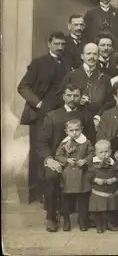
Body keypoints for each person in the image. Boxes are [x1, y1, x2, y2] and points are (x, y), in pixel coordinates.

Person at [18, 31, 72, 201]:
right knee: (40, 150)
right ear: (49, 44)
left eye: (63, 44)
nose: (60, 47)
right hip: (41, 112)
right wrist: (38, 103)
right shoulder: (38, 63)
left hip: (60, 112)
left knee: (59, 147)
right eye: (57, 44)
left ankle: (58, 192)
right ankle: (41, 194)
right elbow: (23, 87)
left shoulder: (67, 62)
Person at [37, 83, 96, 232]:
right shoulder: (52, 116)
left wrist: (87, 159)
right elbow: (42, 142)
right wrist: (49, 159)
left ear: (81, 97)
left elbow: (92, 140)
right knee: (51, 176)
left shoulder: (86, 116)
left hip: (81, 159)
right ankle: (51, 216)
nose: (72, 99)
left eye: (76, 95)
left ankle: (86, 215)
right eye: (69, 95)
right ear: (63, 96)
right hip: (58, 159)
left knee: (95, 173)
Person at [59, 42, 114, 129]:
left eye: (95, 54)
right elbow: (59, 97)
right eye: (88, 54)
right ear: (82, 56)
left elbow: (110, 102)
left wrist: (98, 117)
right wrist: (75, 101)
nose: (92, 57)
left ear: (99, 56)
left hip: (97, 122)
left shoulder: (105, 77)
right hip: (74, 122)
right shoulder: (71, 76)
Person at [55, 119, 94, 232]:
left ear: (81, 130)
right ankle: (66, 221)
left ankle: (83, 221)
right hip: (67, 175)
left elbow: (92, 153)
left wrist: (85, 160)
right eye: (71, 130)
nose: (74, 132)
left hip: (82, 175)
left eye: (77, 130)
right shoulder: (64, 143)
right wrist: (67, 160)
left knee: (82, 200)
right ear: (66, 131)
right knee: (66, 200)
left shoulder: (86, 142)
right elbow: (58, 155)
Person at [88, 140, 118, 234]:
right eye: (101, 152)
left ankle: (110, 224)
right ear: (96, 153)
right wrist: (96, 180)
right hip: (98, 191)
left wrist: (114, 179)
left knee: (111, 209)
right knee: (98, 210)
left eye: (106, 151)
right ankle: (99, 225)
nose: (104, 154)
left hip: (111, 190)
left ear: (111, 151)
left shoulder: (114, 163)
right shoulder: (93, 164)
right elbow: (89, 175)